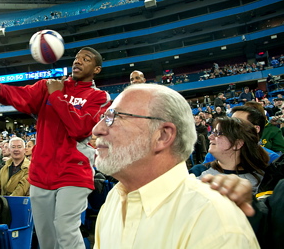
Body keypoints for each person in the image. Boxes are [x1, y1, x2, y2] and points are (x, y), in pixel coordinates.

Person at [0, 47, 111, 249]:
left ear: (97, 69)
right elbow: (23, 96)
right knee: (46, 237)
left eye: (86, 59)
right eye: (76, 58)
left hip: (73, 172)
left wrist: (57, 96)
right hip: (41, 173)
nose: (78, 61)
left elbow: (81, 128)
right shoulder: (48, 86)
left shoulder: (99, 97)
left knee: (65, 230)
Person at [92, 84, 259, 248]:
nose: (97, 129)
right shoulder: (115, 198)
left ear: (163, 135)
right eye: (104, 117)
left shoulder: (215, 222)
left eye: (115, 117)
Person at [192, 117, 269, 194]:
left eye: (218, 133)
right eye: (212, 132)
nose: (210, 137)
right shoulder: (198, 171)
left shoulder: (263, 179)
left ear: (237, 144)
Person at [202, 106, 280, 164]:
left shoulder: (271, 159)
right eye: (230, 124)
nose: (231, 128)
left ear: (256, 129)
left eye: (237, 124)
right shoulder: (215, 153)